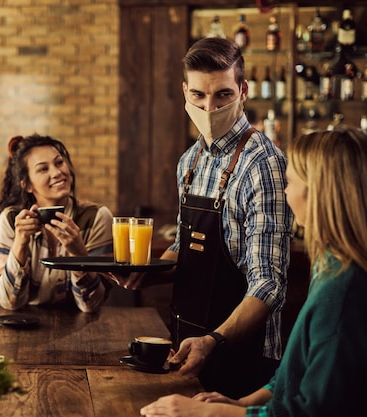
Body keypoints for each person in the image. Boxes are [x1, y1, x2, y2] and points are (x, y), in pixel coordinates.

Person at [140, 126, 367, 417]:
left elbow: (314, 411)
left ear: (319, 192)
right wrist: (243, 404)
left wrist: (208, 414)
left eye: (290, 182)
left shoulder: (343, 293)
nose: (284, 191)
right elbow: (295, 370)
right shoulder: (329, 267)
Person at [111, 38, 293, 398]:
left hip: (241, 354)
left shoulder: (263, 164)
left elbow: (269, 283)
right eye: (198, 96)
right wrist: (145, 274)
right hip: (187, 342)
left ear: (242, 90)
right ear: (184, 91)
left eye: (222, 95)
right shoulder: (190, 161)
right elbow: (188, 251)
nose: (209, 107)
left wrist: (214, 340)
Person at [0, 134, 113, 312]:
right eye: (43, 169)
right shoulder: (12, 220)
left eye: (59, 162)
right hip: (21, 324)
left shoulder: (97, 218)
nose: (57, 173)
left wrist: (79, 255)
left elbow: (91, 305)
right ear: (27, 185)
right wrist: (20, 243)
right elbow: (9, 302)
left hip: (81, 327)